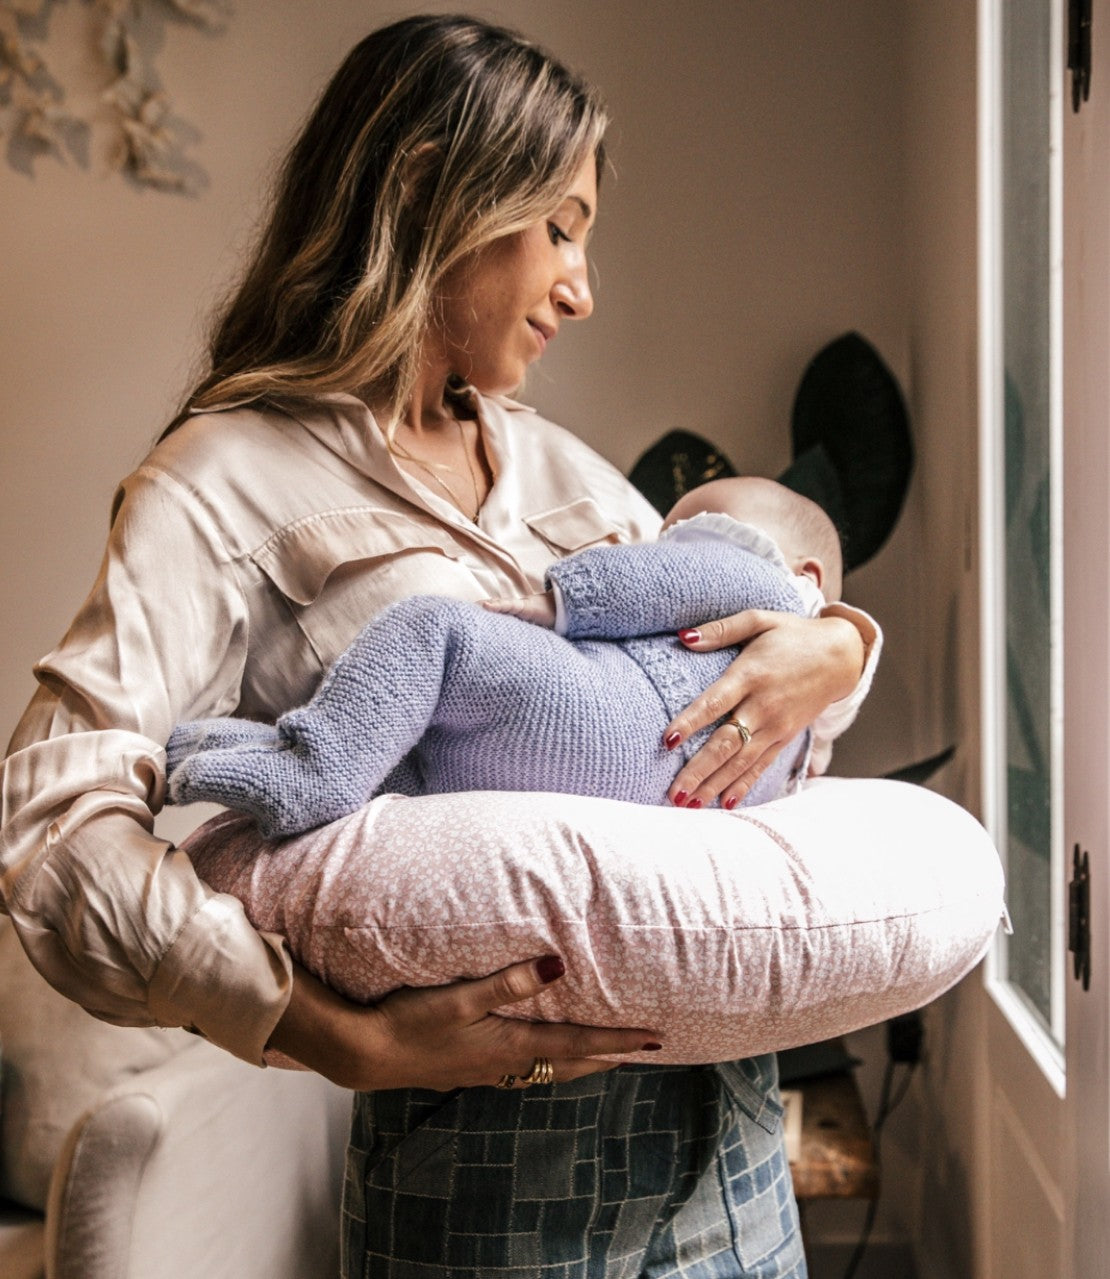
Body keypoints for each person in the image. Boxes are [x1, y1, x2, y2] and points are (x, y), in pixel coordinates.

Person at [0, 15, 881, 1277]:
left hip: (731, 1144)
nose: (585, 287)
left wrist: (837, 646)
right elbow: (46, 824)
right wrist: (320, 1032)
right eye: (561, 228)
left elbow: (718, 693)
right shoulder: (221, 483)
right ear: (427, 190)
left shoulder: (572, 478)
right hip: (484, 1175)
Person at [164, 477, 851, 838]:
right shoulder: (799, 754)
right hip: (630, 793)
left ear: (804, 576)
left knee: (436, 633)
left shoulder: (770, 584)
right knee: (414, 766)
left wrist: (564, 600)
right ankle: (254, 747)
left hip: (588, 712)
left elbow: (661, 581)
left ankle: (312, 770)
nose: (669, 538)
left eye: (691, 529)